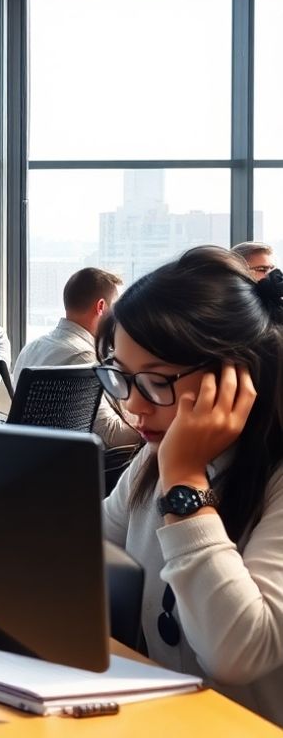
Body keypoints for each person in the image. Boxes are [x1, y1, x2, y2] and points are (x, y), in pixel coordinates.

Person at [98, 247, 283, 725]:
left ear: (236, 377)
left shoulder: (264, 478)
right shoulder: (151, 461)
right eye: (121, 377)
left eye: (156, 382)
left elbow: (238, 652)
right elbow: (86, 547)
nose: (135, 407)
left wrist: (183, 479)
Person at [13, 267, 139, 448]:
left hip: (35, 463)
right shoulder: (85, 358)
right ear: (101, 307)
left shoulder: (31, 347)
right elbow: (112, 435)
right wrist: (162, 427)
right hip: (73, 466)